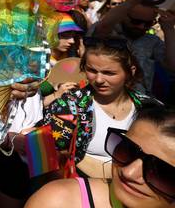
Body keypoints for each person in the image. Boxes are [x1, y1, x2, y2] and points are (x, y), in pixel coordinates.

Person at [42, 38, 154, 180]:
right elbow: (46, 159)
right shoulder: (68, 104)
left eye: (109, 73)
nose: (99, 79)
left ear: (130, 72)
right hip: (79, 191)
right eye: (92, 70)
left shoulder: (149, 108)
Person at [26, 105, 175, 208]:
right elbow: (44, 150)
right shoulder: (59, 201)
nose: (128, 172)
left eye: (159, 170)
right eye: (127, 150)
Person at [90, 0, 175, 94]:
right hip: (103, 99)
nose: (141, 27)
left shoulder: (152, 41)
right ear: (124, 15)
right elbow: (103, 27)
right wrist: (133, 1)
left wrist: (169, 29)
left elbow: (172, 66)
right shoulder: (109, 32)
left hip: (138, 102)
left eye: (147, 24)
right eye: (136, 21)